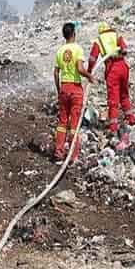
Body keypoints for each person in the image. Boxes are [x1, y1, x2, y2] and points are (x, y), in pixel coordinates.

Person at [54, 22, 94, 163]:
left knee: (62, 122)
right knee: (74, 124)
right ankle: (72, 155)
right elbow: (80, 69)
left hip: (64, 88)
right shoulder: (77, 49)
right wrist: (90, 76)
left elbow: (56, 72)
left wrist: (59, 90)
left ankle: (59, 151)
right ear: (74, 34)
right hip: (75, 89)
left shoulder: (59, 51)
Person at [88, 22, 135, 133]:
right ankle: (131, 119)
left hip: (112, 69)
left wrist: (89, 71)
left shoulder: (98, 41)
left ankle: (113, 126)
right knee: (124, 94)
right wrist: (118, 52)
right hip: (123, 67)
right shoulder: (116, 35)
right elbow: (124, 50)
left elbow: (92, 59)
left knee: (113, 99)